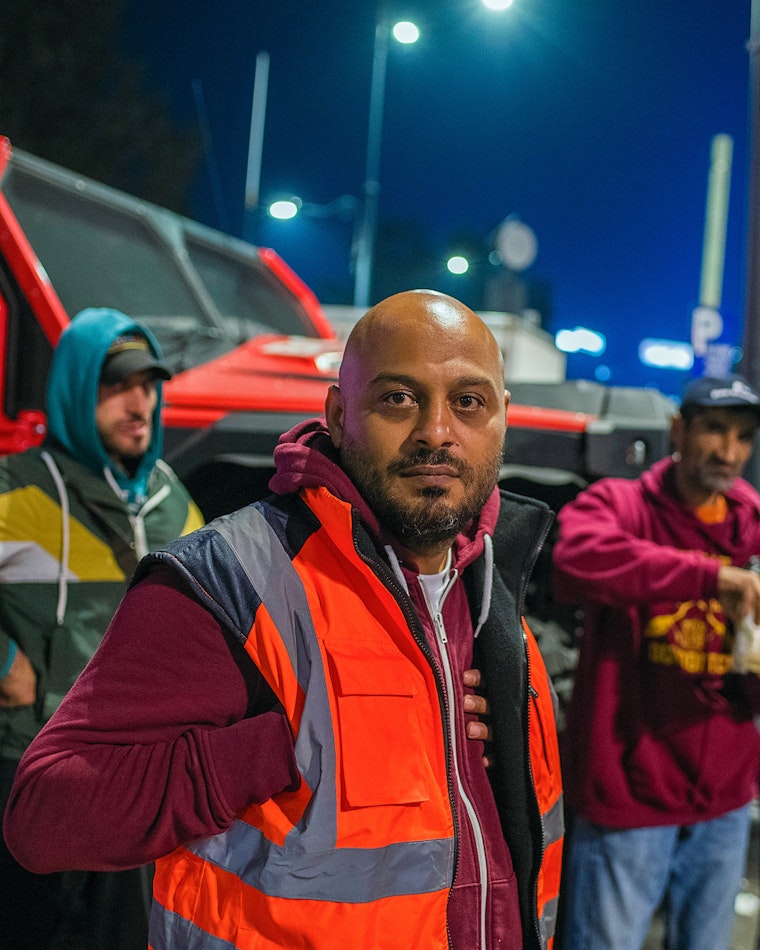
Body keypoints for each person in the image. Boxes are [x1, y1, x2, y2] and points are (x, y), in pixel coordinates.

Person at [4, 290, 563, 950]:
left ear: (502, 420)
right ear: (337, 413)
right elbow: (43, 816)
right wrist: (282, 747)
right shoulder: (232, 576)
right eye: (397, 399)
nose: (436, 431)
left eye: (468, 402)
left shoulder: (493, 593)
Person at [0, 307, 204, 949]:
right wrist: (5, 664)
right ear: (75, 388)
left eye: (148, 385)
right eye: (116, 384)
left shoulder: (175, 499)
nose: (138, 401)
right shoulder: (17, 488)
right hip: (32, 759)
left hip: (135, 773)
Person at [552, 372, 760, 950]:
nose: (729, 451)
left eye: (743, 437)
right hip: (630, 797)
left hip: (724, 798)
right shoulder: (620, 506)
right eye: (715, 430)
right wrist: (708, 576)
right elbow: (576, 557)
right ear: (678, 429)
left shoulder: (753, 523)